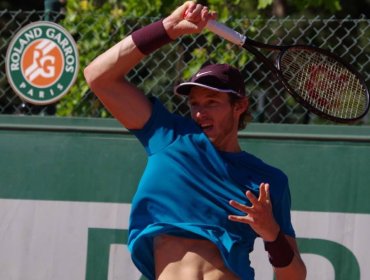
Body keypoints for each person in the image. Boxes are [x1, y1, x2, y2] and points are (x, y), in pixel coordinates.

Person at [84, 1, 307, 279]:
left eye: (212, 102)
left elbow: (294, 275)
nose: (200, 113)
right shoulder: (169, 137)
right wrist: (168, 29)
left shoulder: (267, 182)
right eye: (194, 104)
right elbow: (98, 77)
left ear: (240, 106)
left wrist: (272, 234)